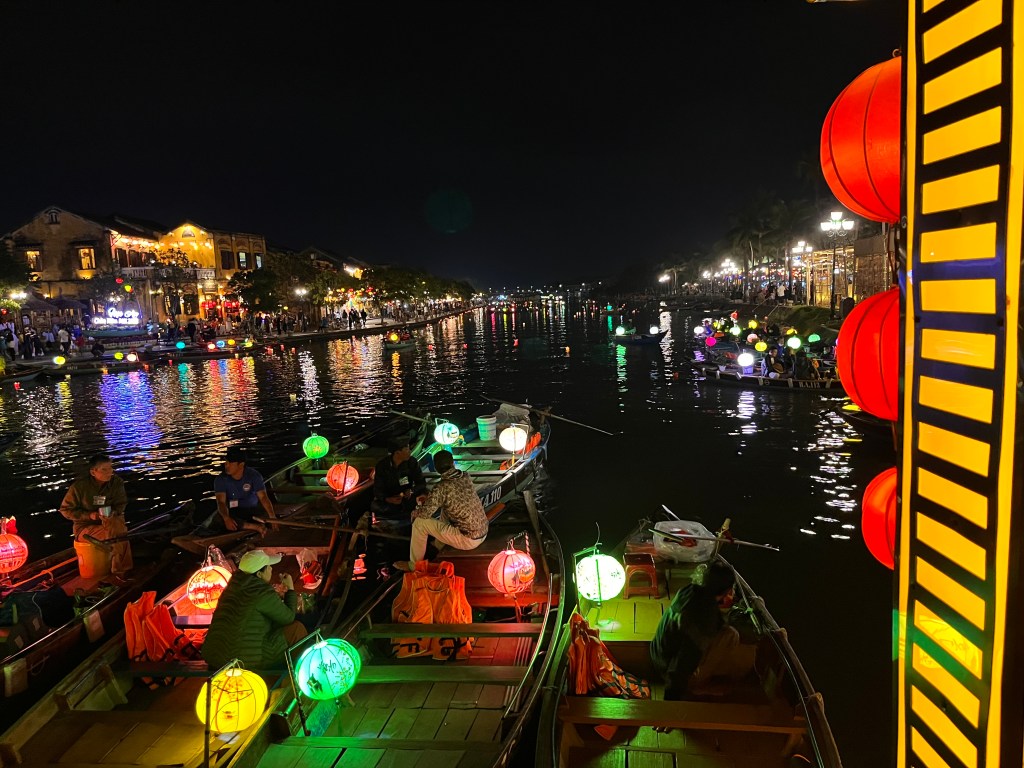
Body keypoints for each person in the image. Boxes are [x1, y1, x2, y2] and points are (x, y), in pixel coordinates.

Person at [649, 561, 749, 700]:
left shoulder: (689, 590)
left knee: (724, 631)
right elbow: (684, 659)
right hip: (667, 668)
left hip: (657, 653)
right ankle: (696, 685)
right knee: (731, 635)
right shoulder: (705, 619)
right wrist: (673, 698)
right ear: (726, 591)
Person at [201, 549, 307, 670]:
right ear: (259, 574)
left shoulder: (231, 588)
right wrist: (290, 589)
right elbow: (288, 618)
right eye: (268, 567)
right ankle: (294, 673)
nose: (271, 569)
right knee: (296, 629)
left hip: (215, 656)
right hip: (243, 660)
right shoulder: (260, 592)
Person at [394, 450, 488, 572]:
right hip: (483, 532)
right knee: (447, 507)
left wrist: (416, 510)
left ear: (437, 469)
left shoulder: (440, 488)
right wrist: (431, 499)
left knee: (419, 523)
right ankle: (439, 544)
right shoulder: (465, 476)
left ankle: (414, 565)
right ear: (453, 463)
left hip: (468, 540)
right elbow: (451, 496)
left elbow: (424, 514)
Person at [59, 453, 133, 583]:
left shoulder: (116, 483)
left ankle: (121, 568)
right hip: (85, 528)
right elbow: (65, 510)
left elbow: (121, 504)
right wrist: (90, 515)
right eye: (104, 469)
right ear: (93, 472)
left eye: (110, 468)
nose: (109, 472)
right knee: (116, 534)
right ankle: (120, 572)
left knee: (117, 528)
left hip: (110, 522)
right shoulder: (79, 487)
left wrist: (113, 513)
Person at [213, 446, 277, 533]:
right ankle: (255, 527)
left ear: (241, 464)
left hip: (253, 509)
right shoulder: (221, 479)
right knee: (219, 518)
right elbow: (221, 502)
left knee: (265, 516)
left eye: (230, 463)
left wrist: (272, 516)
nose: (226, 465)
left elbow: (263, 497)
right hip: (235, 511)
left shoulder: (253, 475)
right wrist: (226, 518)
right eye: (226, 462)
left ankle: (250, 526)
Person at [371, 437, 426, 530]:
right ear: (397, 453)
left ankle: (400, 522)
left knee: (425, 498)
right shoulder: (382, 466)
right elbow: (378, 489)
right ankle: (403, 522)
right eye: (407, 449)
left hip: (407, 497)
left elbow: (421, 483)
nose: (410, 451)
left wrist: (411, 491)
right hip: (391, 499)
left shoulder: (411, 462)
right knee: (375, 505)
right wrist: (388, 499)